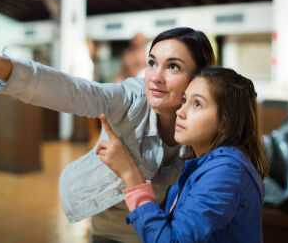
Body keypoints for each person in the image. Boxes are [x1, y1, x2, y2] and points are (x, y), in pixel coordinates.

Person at [0, 23, 215, 242]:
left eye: (173, 67)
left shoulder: (210, 127)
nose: (155, 77)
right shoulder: (131, 98)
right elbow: (76, 91)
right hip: (113, 229)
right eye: (152, 63)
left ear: (199, 78)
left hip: (164, 231)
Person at [97, 66, 270, 243]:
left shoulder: (226, 173)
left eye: (197, 104)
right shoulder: (205, 163)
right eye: (184, 100)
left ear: (225, 121)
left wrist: (130, 174)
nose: (180, 112)